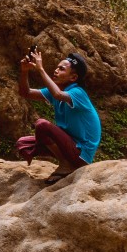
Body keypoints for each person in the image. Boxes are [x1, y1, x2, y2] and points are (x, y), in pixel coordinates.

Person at [14, 48, 100, 176]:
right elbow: (25, 93)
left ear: (73, 77)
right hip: (68, 145)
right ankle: (65, 161)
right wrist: (24, 71)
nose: (56, 70)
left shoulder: (78, 93)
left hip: (81, 153)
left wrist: (41, 69)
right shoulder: (57, 90)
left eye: (62, 69)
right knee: (23, 143)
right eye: (57, 67)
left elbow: (58, 94)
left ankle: (66, 164)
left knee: (42, 125)